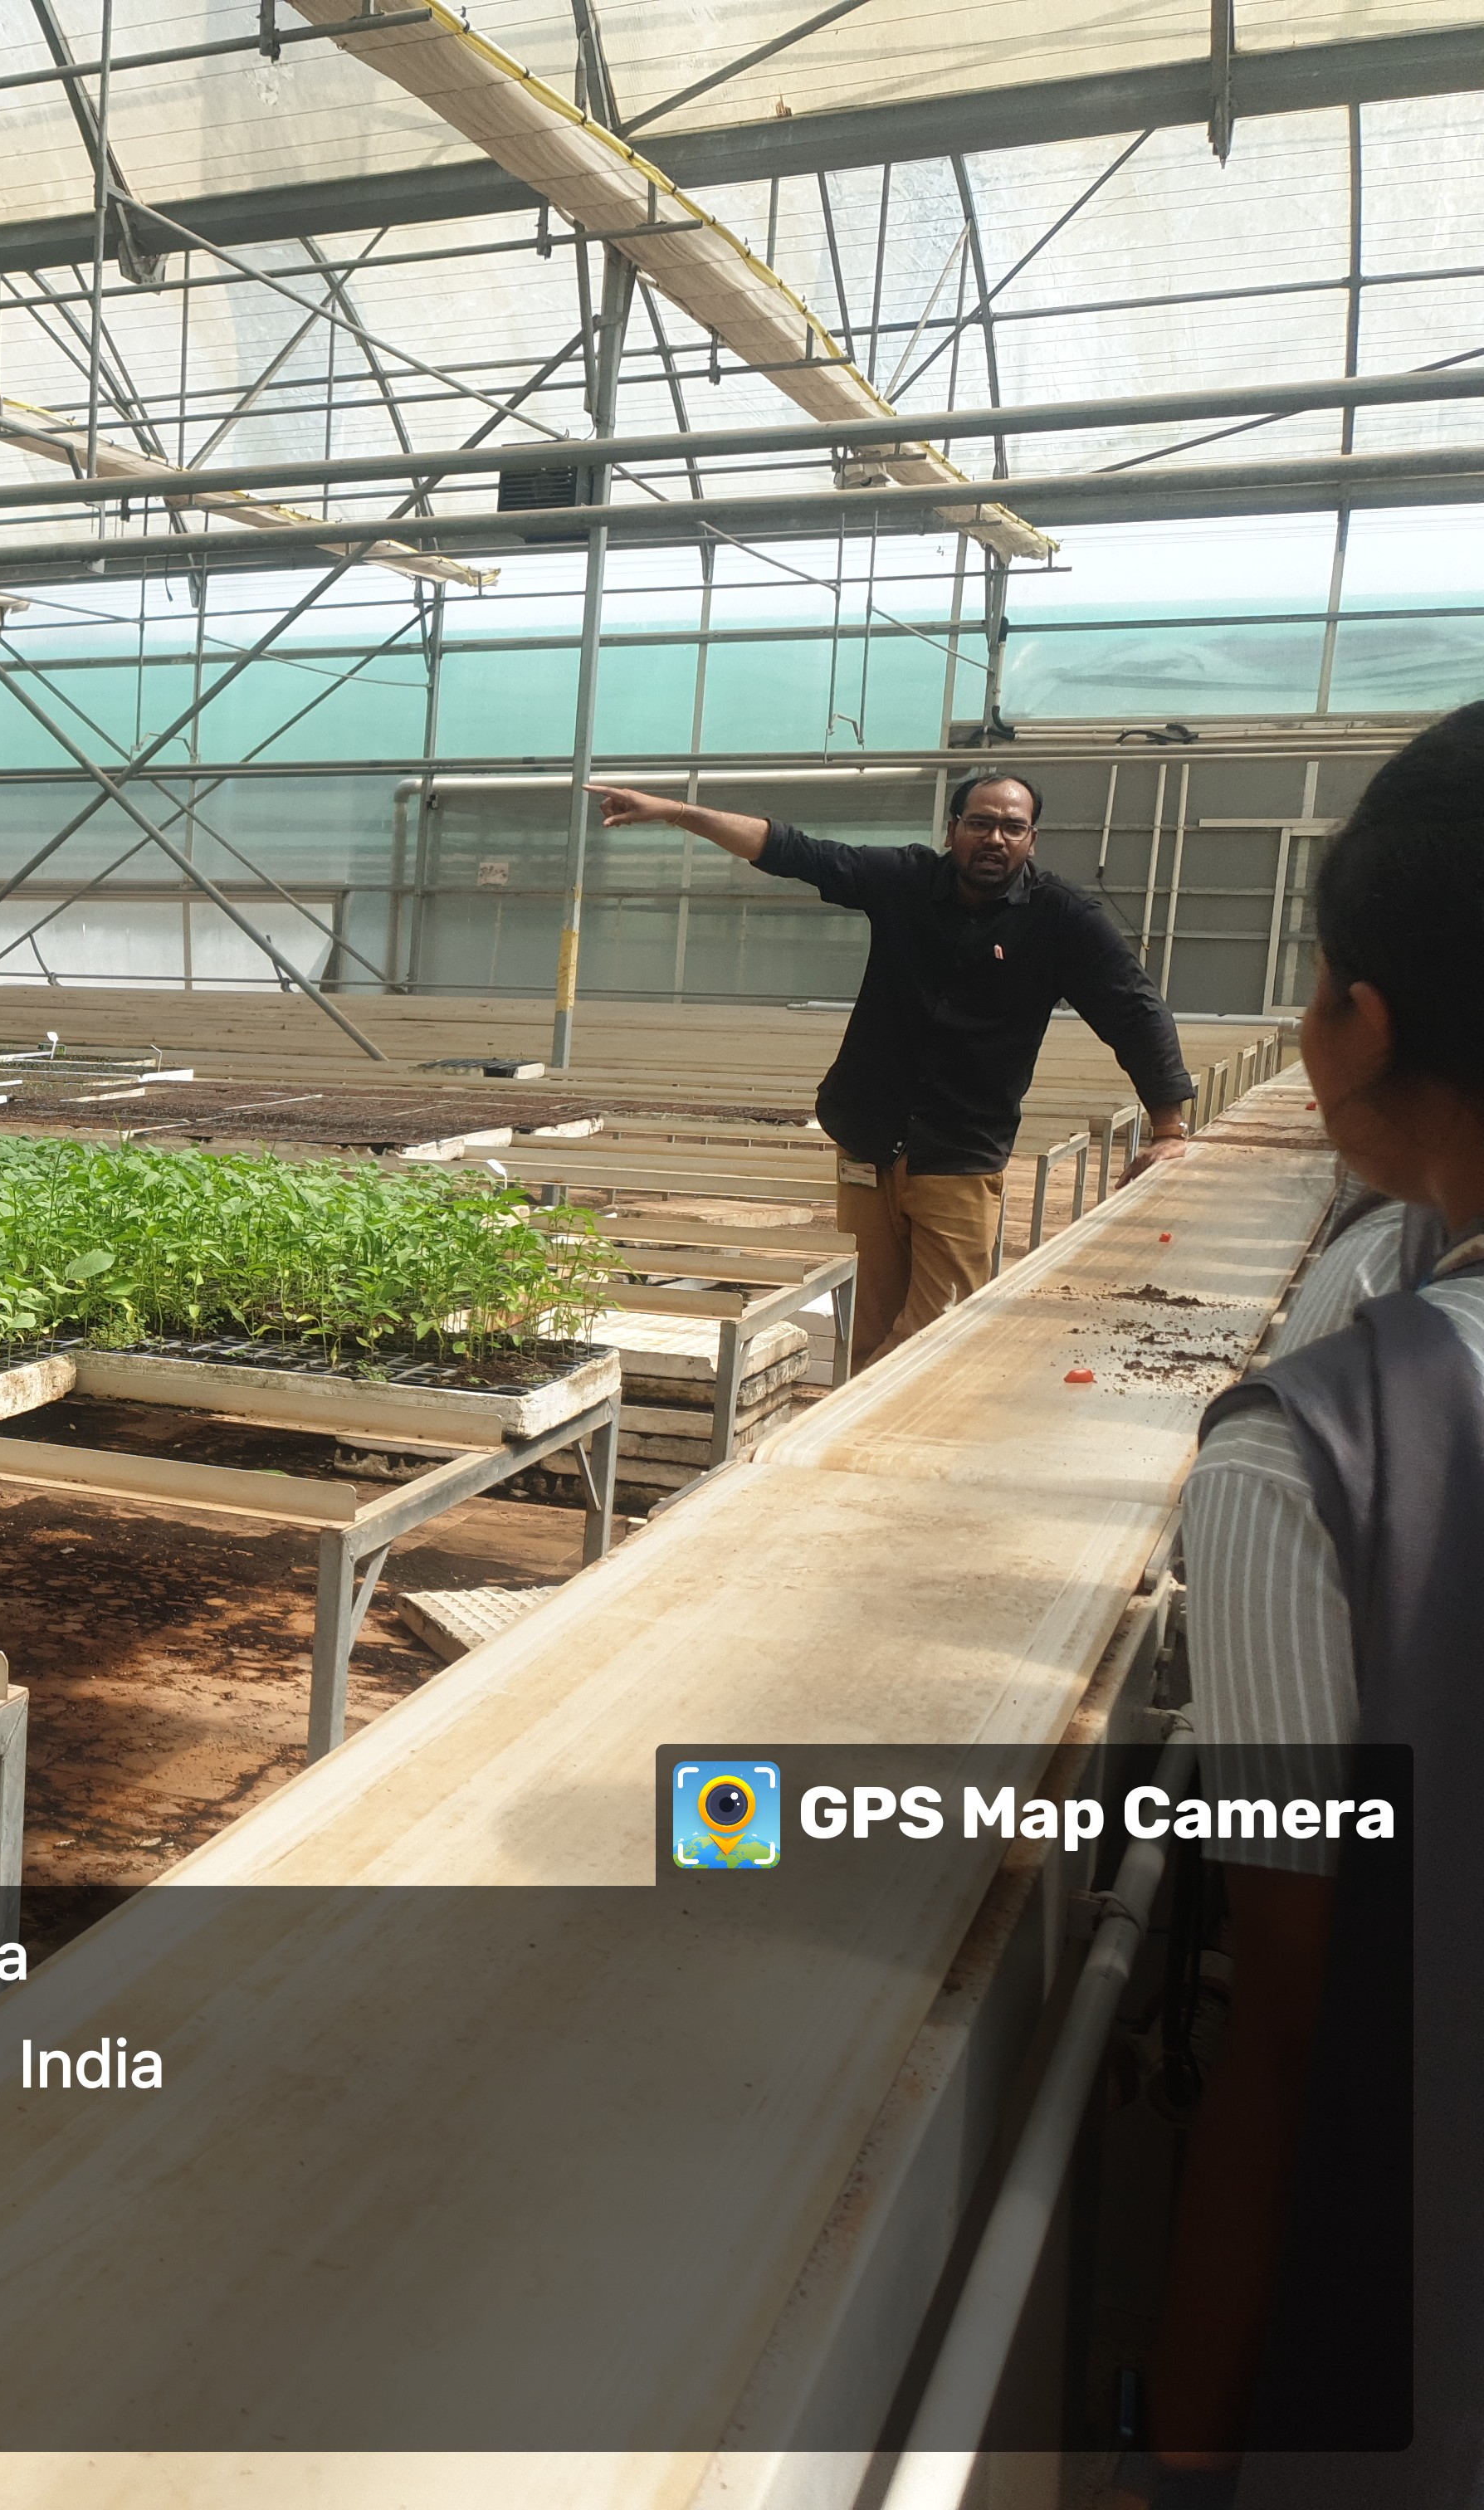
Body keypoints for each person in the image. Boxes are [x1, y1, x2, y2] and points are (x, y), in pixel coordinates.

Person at [1117, 700, 1484, 2510]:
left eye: (1318, 982)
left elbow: (1291, 2026)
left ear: (1368, 1024)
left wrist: (1176, 2455)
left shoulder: (1312, 1452)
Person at [588, 772, 1195, 1362]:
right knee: (868, 1326)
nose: (995, 838)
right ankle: (854, 1425)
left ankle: (881, 1415)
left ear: (1031, 840)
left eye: (1013, 827)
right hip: (868, 1141)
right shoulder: (905, 881)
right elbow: (791, 850)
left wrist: (1168, 1128)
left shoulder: (1061, 918)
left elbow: (1133, 1009)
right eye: (980, 823)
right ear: (952, 830)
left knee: (943, 1328)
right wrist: (676, 812)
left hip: (960, 1152)